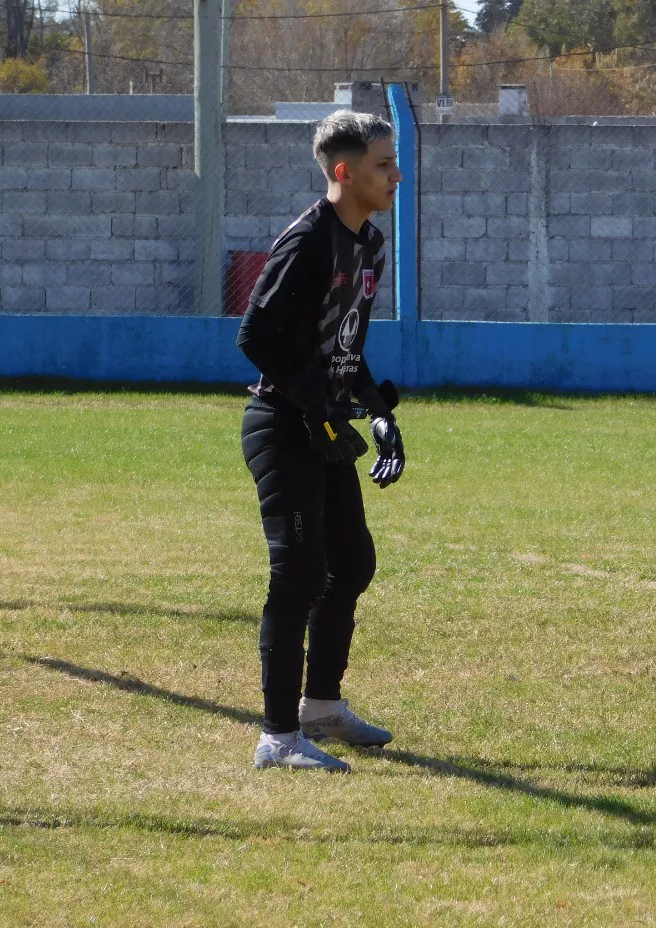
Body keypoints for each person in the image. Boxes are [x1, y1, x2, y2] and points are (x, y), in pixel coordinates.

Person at [237, 110, 407, 773]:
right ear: (345, 172)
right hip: (282, 426)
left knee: (351, 565)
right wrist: (315, 407)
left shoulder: (370, 244)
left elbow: (345, 347)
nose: (398, 174)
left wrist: (374, 411)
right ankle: (278, 738)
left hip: (326, 426)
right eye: (383, 164)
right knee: (299, 575)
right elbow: (254, 337)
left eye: (395, 160)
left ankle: (321, 707)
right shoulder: (308, 240)